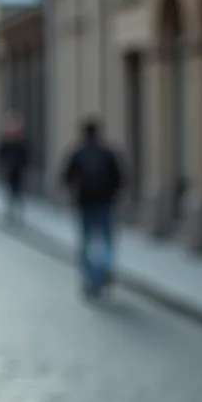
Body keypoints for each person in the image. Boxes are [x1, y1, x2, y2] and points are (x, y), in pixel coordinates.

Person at [63, 118, 124, 297]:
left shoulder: (77, 153)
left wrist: (73, 196)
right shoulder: (108, 153)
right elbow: (120, 178)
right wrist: (114, 195)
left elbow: (66, 177)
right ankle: (104, 268)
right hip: (106, 203)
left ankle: (90, 277)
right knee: (107, 240)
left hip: (85, 204)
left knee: (86, 241)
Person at [0, 113, 29, 223]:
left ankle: (17, 213)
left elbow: (27, 156)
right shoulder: (6, 143)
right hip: (9, 171)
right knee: (10, 192)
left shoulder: (22, 143)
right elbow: (1, 155)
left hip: (19, 171)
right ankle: (11, 212)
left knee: (18, 192)